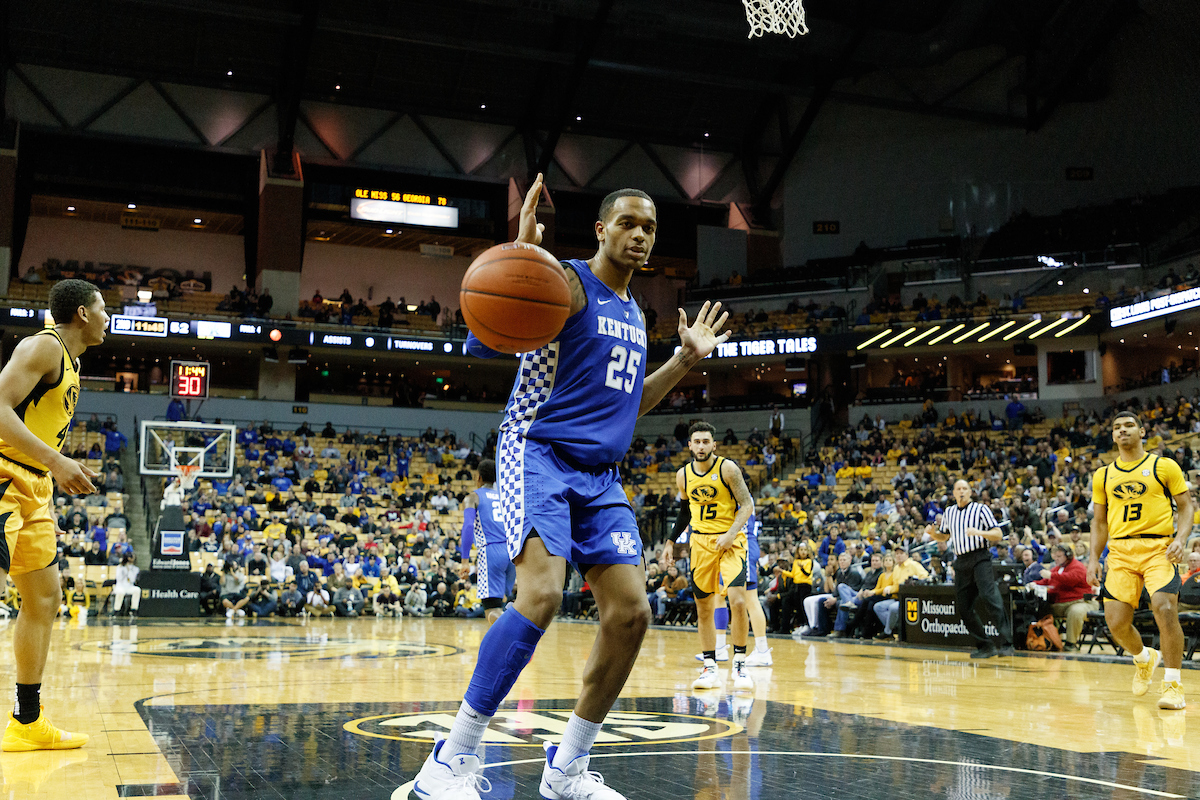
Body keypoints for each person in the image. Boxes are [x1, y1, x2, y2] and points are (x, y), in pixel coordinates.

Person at [412, 176, 728, 800]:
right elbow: (484, 335)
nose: (640, 235)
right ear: (601, 230)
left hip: (600, 475)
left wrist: (685, 361)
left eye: (651, 228)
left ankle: (568, 769)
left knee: (632, 612)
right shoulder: (567, 281)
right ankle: (448, 762)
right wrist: (524, 255)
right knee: (541, 595)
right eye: (629, 224)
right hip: (538, 453)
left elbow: (629, 406)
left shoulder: (636, 313)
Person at [0, 279, 107, 751]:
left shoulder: (72, 362)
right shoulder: (44, 346)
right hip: (2, 476)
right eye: (103, 309)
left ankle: (27, 720)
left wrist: (44, 485)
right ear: (83, 313)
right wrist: (56, 461)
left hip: (32, 488)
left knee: (44, 596)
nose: (108, 317)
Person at [1088, 411, 1192, 710]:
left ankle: (1173, 685)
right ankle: (1145, 659)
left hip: (1158, 547)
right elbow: (1099, 522)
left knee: (1164, 606)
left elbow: (1185, 508)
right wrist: (1094, 557)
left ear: (1142, 431)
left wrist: (1180, 539)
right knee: (1117, 623)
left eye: (1129, 426)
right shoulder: (1103, 475)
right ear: (1112, 436)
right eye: (1117, 427)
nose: (1123, 431)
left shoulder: (1164, 466)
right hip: (1120, 552)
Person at [663, 422, 755, 692]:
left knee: (738, 601)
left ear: (714, 445)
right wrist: (670, 541)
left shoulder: (727, 468)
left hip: (731, 541)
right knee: (703, 608)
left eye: (706, 441)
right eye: (697, 441)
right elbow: (684, 512)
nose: (701, 446)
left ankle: (739, 663)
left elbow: (747, 504)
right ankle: (709, 667)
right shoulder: (683, 475)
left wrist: (731, 533)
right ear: (689, 445)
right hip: (700, 543)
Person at [926, 480, 1014, 659]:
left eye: (965, 488)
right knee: (964, 607)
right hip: (961, 560)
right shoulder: (949, 511)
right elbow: (945, 534)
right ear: (953, 492)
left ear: (970, 492)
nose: (962, 491)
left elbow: (998, 534)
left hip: (980, 557)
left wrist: (979, 533)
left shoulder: (980, 509)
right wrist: (933, 534)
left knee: (990, 597)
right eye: (958, 488)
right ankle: (985, 645)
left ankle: (1007, 643)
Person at [458, 459, 511, 625]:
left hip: (491, 552)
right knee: (506, 605)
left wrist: (465, 561)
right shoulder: (505, 497)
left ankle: (516, 641)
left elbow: (468, 527)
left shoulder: (473, 497)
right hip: (512, 552)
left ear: (478, 477)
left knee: (492, 609)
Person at [1030, 544, 1096, 651]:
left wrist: (1051, 575)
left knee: (1075, 611)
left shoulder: (1078, 567)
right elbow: (1045, 581)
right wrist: (1034, 583)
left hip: (1082, 602)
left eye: (1059, 556)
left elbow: (1070, 579)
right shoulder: (1057, 569)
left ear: (1068, 556)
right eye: (1055, 556)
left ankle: (1071, 643)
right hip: (1061, 603)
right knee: (1042, 609)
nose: (1056, 558)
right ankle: (1049, 640)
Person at [110, 553, 140, 619]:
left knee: (137, 590)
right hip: (120, 586)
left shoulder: (135, 569)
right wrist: (123, 568)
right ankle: (116, 610)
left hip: (129, 586)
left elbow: (132, 580)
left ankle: (133, 610)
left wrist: (128, 570)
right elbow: (119, 578)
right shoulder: (119, 567)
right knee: (121, 592)